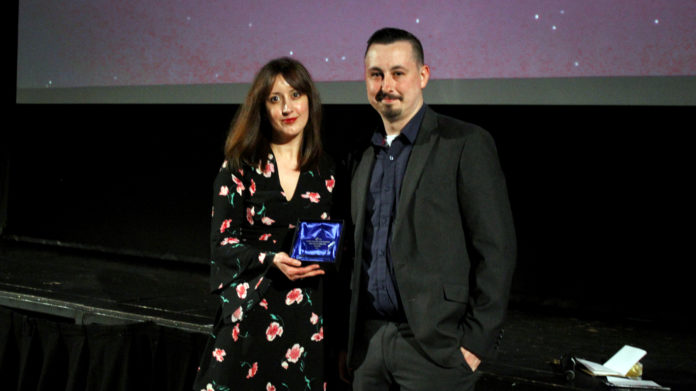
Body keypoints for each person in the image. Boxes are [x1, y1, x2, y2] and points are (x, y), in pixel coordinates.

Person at [344, 27, 517, 390]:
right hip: (369, 346)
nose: (385, 84)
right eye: (376, 75)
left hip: (436, 352)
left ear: (423, 76)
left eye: (398, 73)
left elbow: (496, 248)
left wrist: (475, 342)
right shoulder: (362, 155)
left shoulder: (465, 143)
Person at [193, 57, 340, 391]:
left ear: (310, 101)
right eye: (275, 99)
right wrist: (271, 259)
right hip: (253, 314)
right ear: (261, 108)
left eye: (296, 95)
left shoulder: (327, 171)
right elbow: (222, 243)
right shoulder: (240, 166)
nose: (288, 107)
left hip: (306, 319)